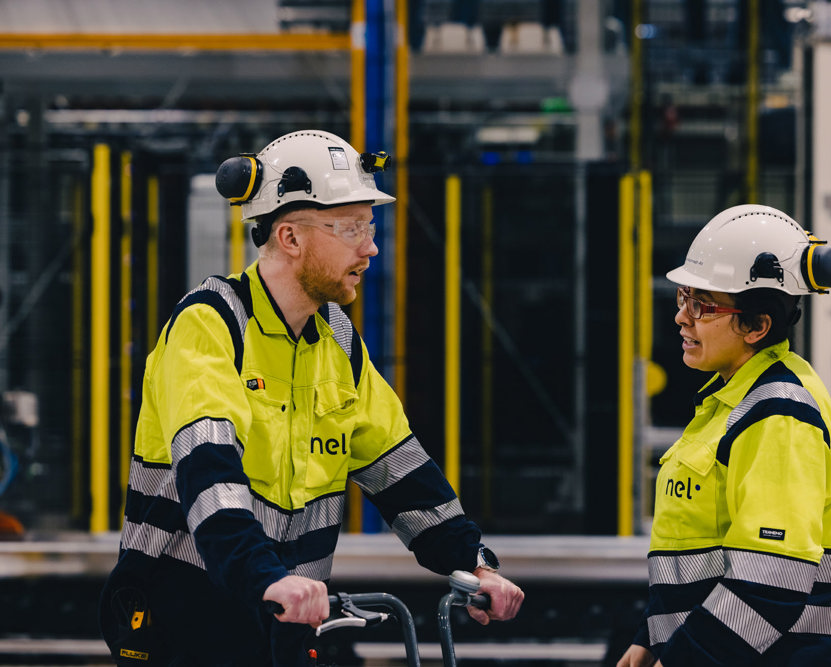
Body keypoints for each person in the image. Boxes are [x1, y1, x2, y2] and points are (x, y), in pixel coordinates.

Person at [99, 129, 524, 666]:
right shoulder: (210, 325)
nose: (370, 247)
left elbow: (402, 474)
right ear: (290, 238)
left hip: (284, 620)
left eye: (370, 226)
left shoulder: (338, 342)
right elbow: (209, 477)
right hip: (180, 615)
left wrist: (476, 563)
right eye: (351, 228)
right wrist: (266, 578)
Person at [618, 204, 831, 666]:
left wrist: (683, 660)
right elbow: (703, 546)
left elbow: (770, 579)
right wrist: (651, 638)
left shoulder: (779, 417)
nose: (682, 318)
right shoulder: (730, 403)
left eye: (702, 305)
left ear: (757, 326)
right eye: (683, 298)